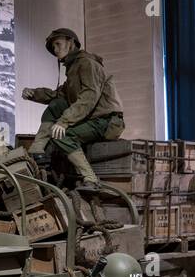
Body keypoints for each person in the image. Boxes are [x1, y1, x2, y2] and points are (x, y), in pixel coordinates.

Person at [22, 28, 125, 186]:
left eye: (58, 44)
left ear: (70, 43)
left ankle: (90, 178)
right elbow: (57, 96)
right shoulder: (73, 68)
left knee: (62, 135)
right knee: (57, 104)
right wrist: (33, 94)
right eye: (53, 47)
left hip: (107, 121)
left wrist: (64, 122)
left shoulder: (87, 63)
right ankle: (37, 151)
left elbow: (89, 98)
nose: (55, 50)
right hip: (93, 119)